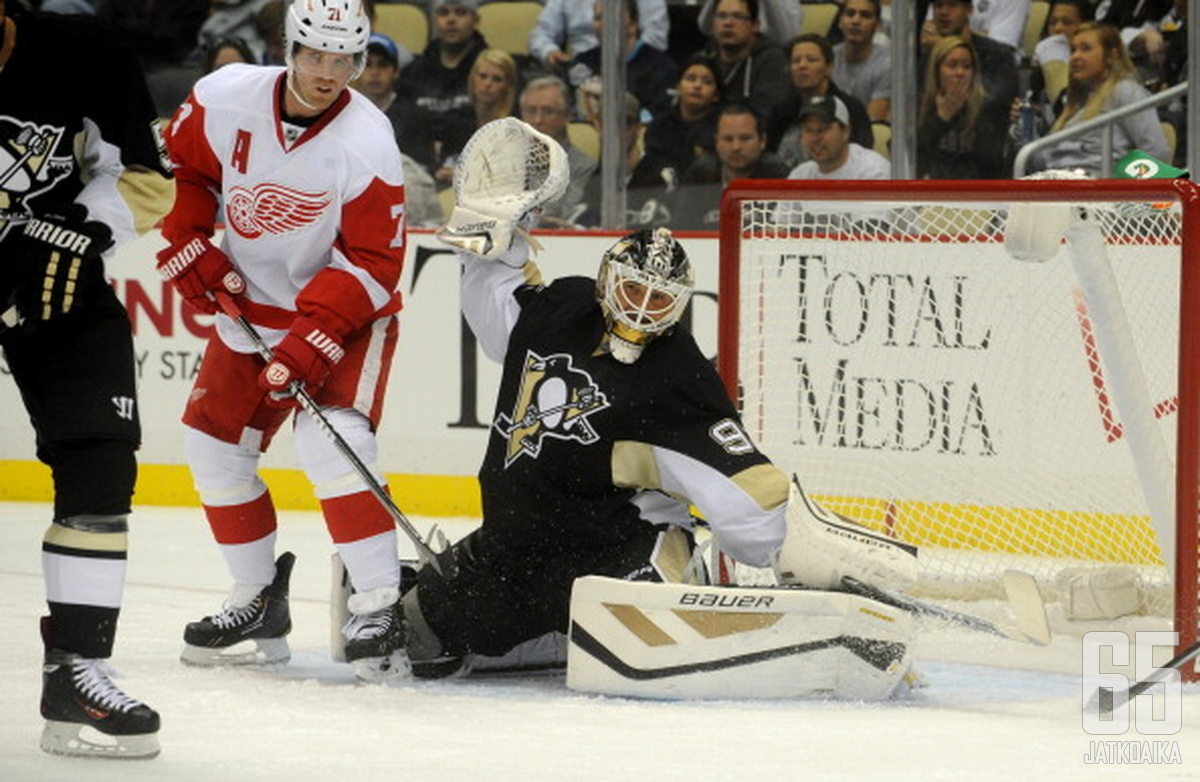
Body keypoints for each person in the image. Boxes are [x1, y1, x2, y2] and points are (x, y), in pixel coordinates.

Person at [415, 118, 919, 679]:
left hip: (615, 550)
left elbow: (742, 495)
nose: (641, 310)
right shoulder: (561, 309)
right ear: (608, 279)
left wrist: (827, 564)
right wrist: (491, 241)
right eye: (633, 291)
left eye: (659, 301)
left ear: (679, 305)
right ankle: (553, 634)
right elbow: (498, 313)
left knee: (636, 612)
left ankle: (668, 583)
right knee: (419, 634)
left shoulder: (676, 375)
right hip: (521, 548)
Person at [155, 0, 410, 682]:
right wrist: (188, 237)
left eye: (344, 60)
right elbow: (186, 172)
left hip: (346, 314)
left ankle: (380, 600)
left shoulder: (369, 139)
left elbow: (374, 264)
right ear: (289, 48)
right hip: (252, 307)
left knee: (333, 440)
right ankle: (257, 597)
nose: (329, 73)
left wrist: (311, 339)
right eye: (316, 56)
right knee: (211, 447)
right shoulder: (225, 96)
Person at [0, 0, 172, 759]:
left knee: (102, 461)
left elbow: (145, 179)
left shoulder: (85, 52)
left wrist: (85, 226)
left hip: (55, 281)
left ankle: (78, 668)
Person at [1027, 22, 1169, 176]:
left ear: (1112, 56)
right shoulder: (1074, 105)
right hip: (1056, 186)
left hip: (1098, 192)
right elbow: (1041, 160)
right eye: (1073, 50)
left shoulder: (1124, 90)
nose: (1075, 56)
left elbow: (1156, 151)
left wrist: (1123, 193)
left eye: (1085, 48)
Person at [351, 35, 444, 227]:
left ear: (395, 72)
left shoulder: (414, 116)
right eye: (368, 65)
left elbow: (422, 172)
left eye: (383, 65)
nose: (375, 72)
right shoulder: (343, 115)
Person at [395, 0, 489, 182]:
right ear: (434, 20)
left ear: (476, 20)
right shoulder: (413, 73)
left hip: (479, 174)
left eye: (460, 12)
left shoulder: (491, 71)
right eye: (443, 13)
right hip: (418, 172)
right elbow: (402, 126)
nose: (451, 20)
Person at [674, 102, 790, 230]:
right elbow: (682, 229)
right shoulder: (700, 174)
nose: (736, 147)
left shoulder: (779, 177)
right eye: (728, 139)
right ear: (716, 142)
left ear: (762, 141)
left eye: (745, 138)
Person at [771, 33, 873, 170]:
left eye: (811, 60)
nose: (802, 66)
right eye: (796, 61)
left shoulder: (850, 108)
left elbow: (860, 156)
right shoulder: (781, 108)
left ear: (829, 68)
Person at [567, 0, 678, 124]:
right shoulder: (583, 61)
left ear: (633, 24)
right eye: (598, 18)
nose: (603, 23)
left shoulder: (661, 66)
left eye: (611, 16)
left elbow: (661, 112)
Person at [917, 36, 1011, 179]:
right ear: (937, 71)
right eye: (952, 65)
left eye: (967, 66)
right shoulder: (919, 105)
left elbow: (993, 166)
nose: (960, 73)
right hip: (929, 192)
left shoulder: (988, 108)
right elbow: (907, 158)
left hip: (975, 193)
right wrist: (941, 118)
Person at [638, 54, 724, 199]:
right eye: (691, 79)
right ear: (678, 87)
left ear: (716, 95)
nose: (697, 86)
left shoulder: (723, 128)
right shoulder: (659, 126)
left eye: (707, 82)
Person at [699, 0, 791, 134]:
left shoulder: (771, 60)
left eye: (738, 16)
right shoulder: (705, 58)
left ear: (755, 25)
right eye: (722, 16)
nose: (728, 23)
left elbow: (768, 117)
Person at [519, 75, 597, 227]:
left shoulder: (583, 166)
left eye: (548, 112)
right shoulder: (505, 161)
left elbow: (567, 219)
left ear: (567, 116)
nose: (537, 120)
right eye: (530, 111)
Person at [920, 0, 1020, 111]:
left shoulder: (997, 55)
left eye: (952, 5)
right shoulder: (928, 58)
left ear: (969, 10)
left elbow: (998, 103)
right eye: (938, 6)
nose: (944, 12)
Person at [529, 0, 669, 73]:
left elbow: (655, 36)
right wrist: (550, 51)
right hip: (581, 66)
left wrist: (630, 61)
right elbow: (540, 34)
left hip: (634, 67)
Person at [787, 95, 891, 180]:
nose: (815, 138)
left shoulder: (873, 171)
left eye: (823, 129)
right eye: (808, 130)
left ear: (846, 131)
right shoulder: (800, 176)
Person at [832, 0, 892, 121]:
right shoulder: (828, 57)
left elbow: (873, 120)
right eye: (850, 13)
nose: (856, 21)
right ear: (840, 21)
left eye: (865, 15)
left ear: (878, 24)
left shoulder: (888, 64)